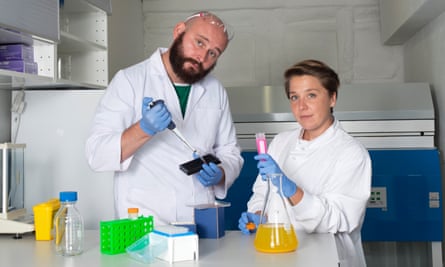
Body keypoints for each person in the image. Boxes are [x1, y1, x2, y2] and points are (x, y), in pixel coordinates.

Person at [85, 11, 243, 226]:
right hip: (144, 218)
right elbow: (97, 154)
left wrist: (221, 174)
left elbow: (229, 151)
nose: (202, 57)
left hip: (199, 217)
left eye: (213, 53)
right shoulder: (130, 80)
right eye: (199, 42)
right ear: (178, 31)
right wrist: (143, 129)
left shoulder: (215, 90)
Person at [238, 59, 371, 267]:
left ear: (332, 98)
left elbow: (337, 220)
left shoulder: (351, 153)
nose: (302, 106)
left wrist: (292, 190)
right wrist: (257, 216)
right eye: (294, 97)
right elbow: (261, 193)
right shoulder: (281, 142)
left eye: (311, 95)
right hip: (276, 254)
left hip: (326, 260)